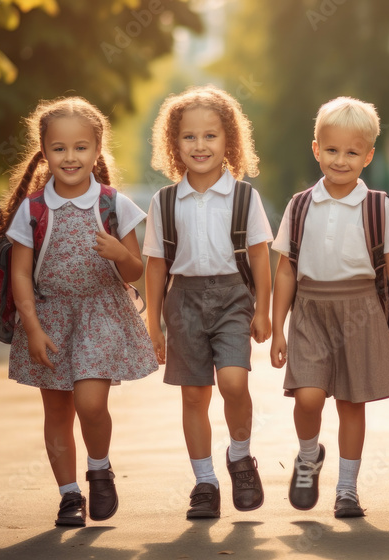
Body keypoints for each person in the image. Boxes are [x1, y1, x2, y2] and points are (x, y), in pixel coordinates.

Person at [0, 96, 158, 527]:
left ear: (97, 150)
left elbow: (136, 269)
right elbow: (22, 275)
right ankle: (68, 496)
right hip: (49, 317)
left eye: (81, 147)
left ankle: (99, 468)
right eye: (59, 148)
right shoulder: (32, 209)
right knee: (57, 411)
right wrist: (32, 327)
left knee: (90, 402)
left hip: (101, 312)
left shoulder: (114, 204)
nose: (70, 157)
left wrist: (120, 251)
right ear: (44, 151)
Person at [270, 97, 389, 518]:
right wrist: (276, 325)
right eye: (331, 150)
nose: (340, 160)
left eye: (352, 152)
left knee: (352, 403)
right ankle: (307, 455)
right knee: (308, 397)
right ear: (316, 149)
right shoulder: (300, 205)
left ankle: (348, 489)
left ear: (368, 156)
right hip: (311, 310)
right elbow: (285, 271)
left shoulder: (378, 207)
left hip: (360, 311)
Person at [142, 85, 273, 519]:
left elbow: (259, 256)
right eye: (189, 137)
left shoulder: (244, 197)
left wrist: (263, 310)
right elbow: (157, 266)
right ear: (174, 144)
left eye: (210, 136)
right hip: (183, 301)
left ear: (229, 141)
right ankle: (204, 483)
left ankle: (240, 457)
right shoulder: (163, 201)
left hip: (235, 297)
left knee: (234, 383)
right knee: (194, 396)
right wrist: (153, 324)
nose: (200, 145)